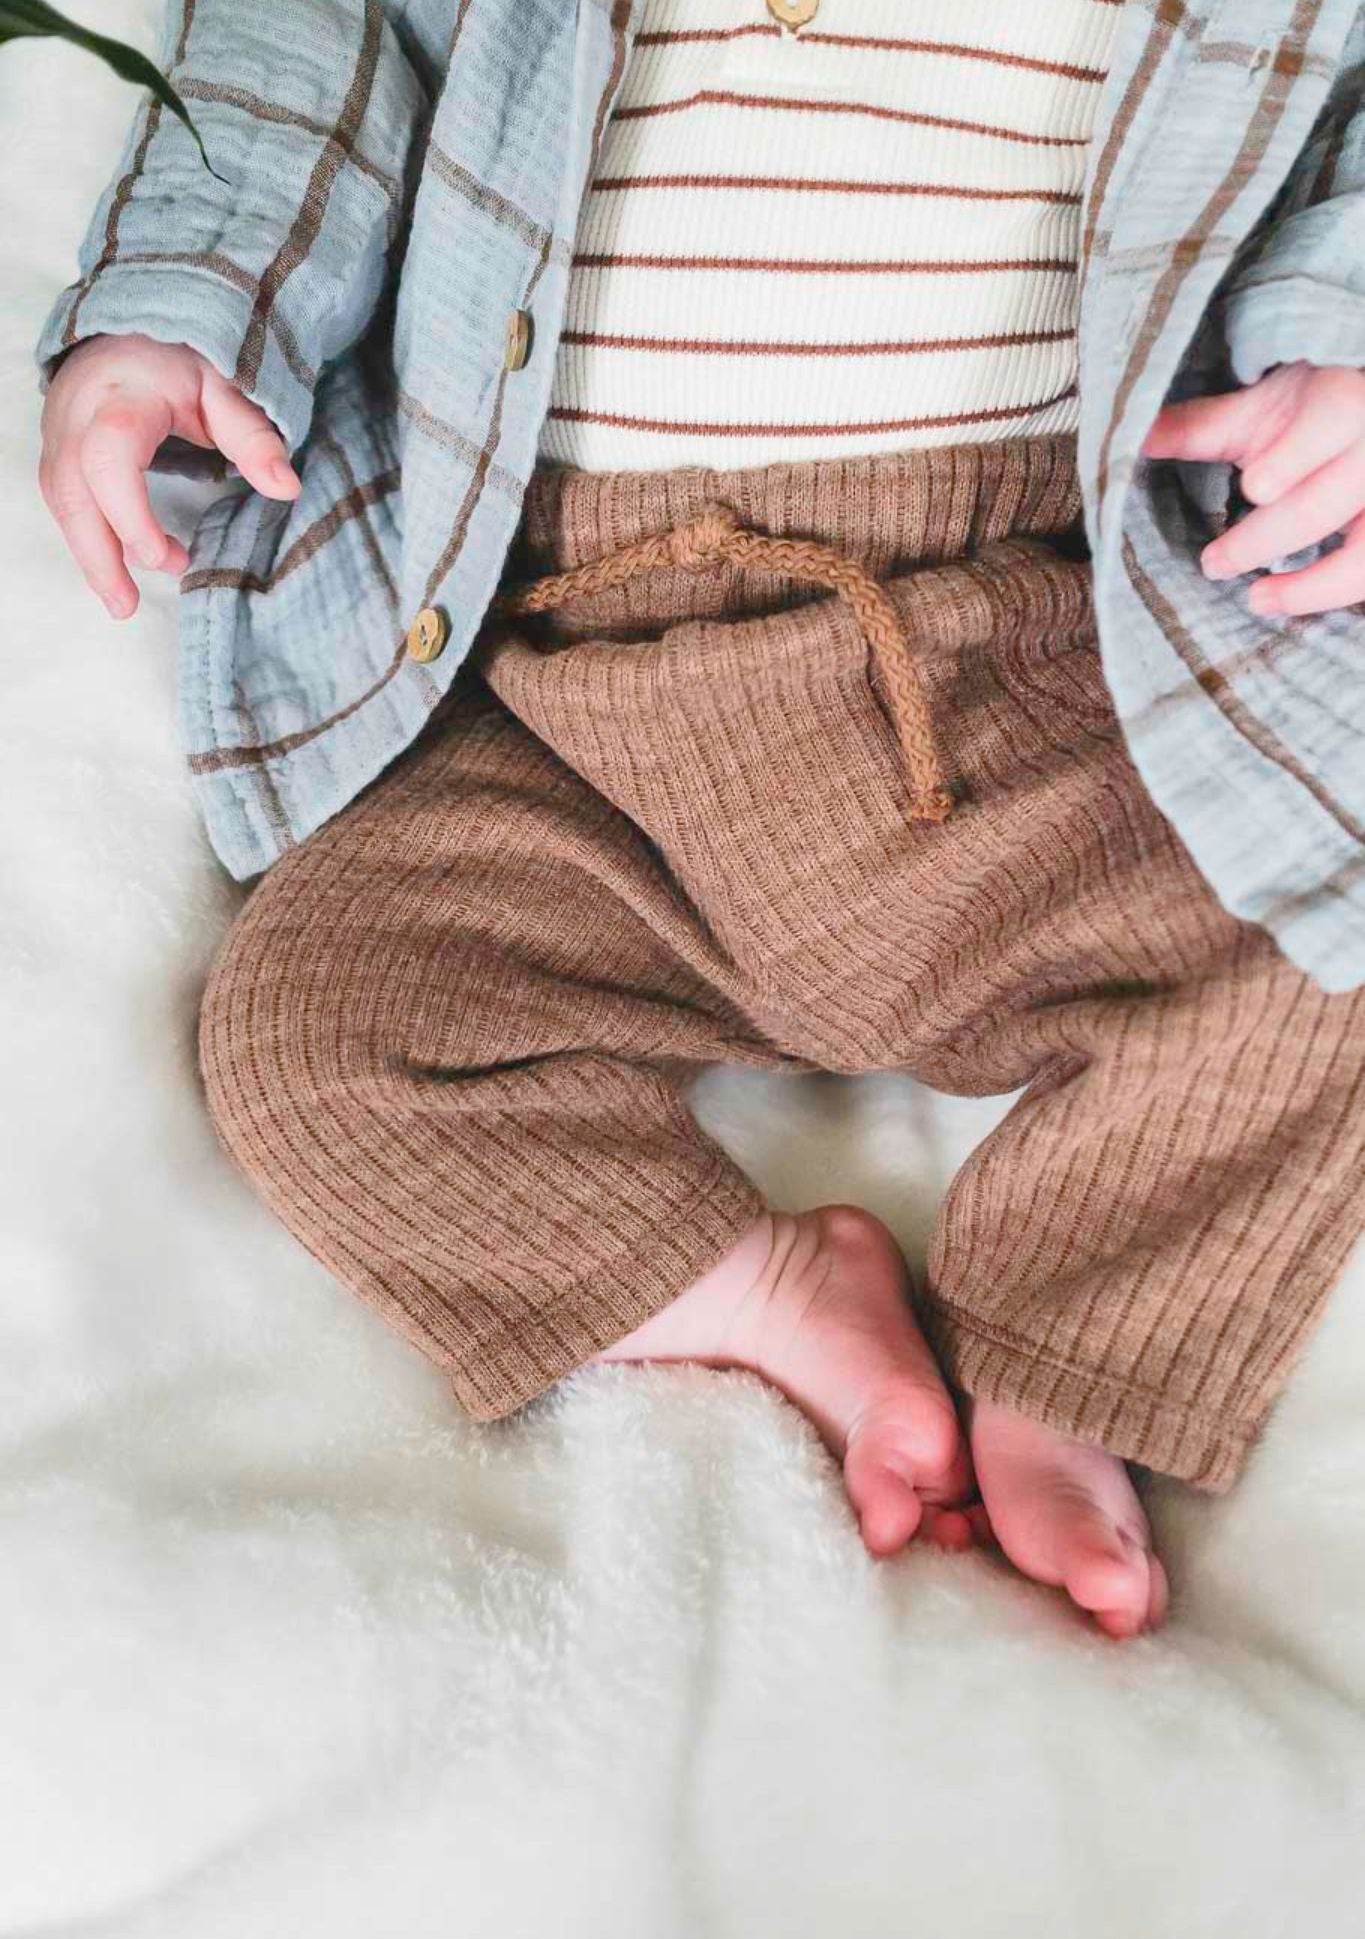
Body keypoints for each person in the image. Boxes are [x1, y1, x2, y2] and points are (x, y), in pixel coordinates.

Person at [35, 0, 1365, 1637]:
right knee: (310, 1035)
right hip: (578, 707)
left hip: (1019, 663)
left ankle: (1067, 1356)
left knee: (1333, 919)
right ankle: (758, 1290)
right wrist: (179, 311)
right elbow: (307, 49)